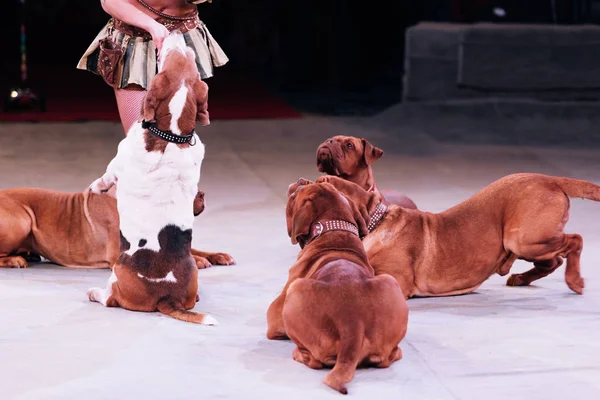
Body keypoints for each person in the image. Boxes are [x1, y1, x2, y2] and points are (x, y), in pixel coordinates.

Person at [77, 0, 228, 134]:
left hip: (181, 35)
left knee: (178, 135)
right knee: (137, 138)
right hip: (135, 40)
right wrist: (152, 26)